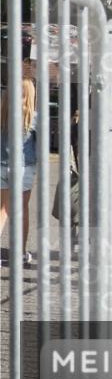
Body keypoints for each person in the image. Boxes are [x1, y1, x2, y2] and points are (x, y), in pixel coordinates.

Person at [1, 76, 38, 267]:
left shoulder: (2, 114)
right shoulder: (33, 117)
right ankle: (20, 253)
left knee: (3, 211)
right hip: (24, 167)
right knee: (22, 210)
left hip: (1, 165)